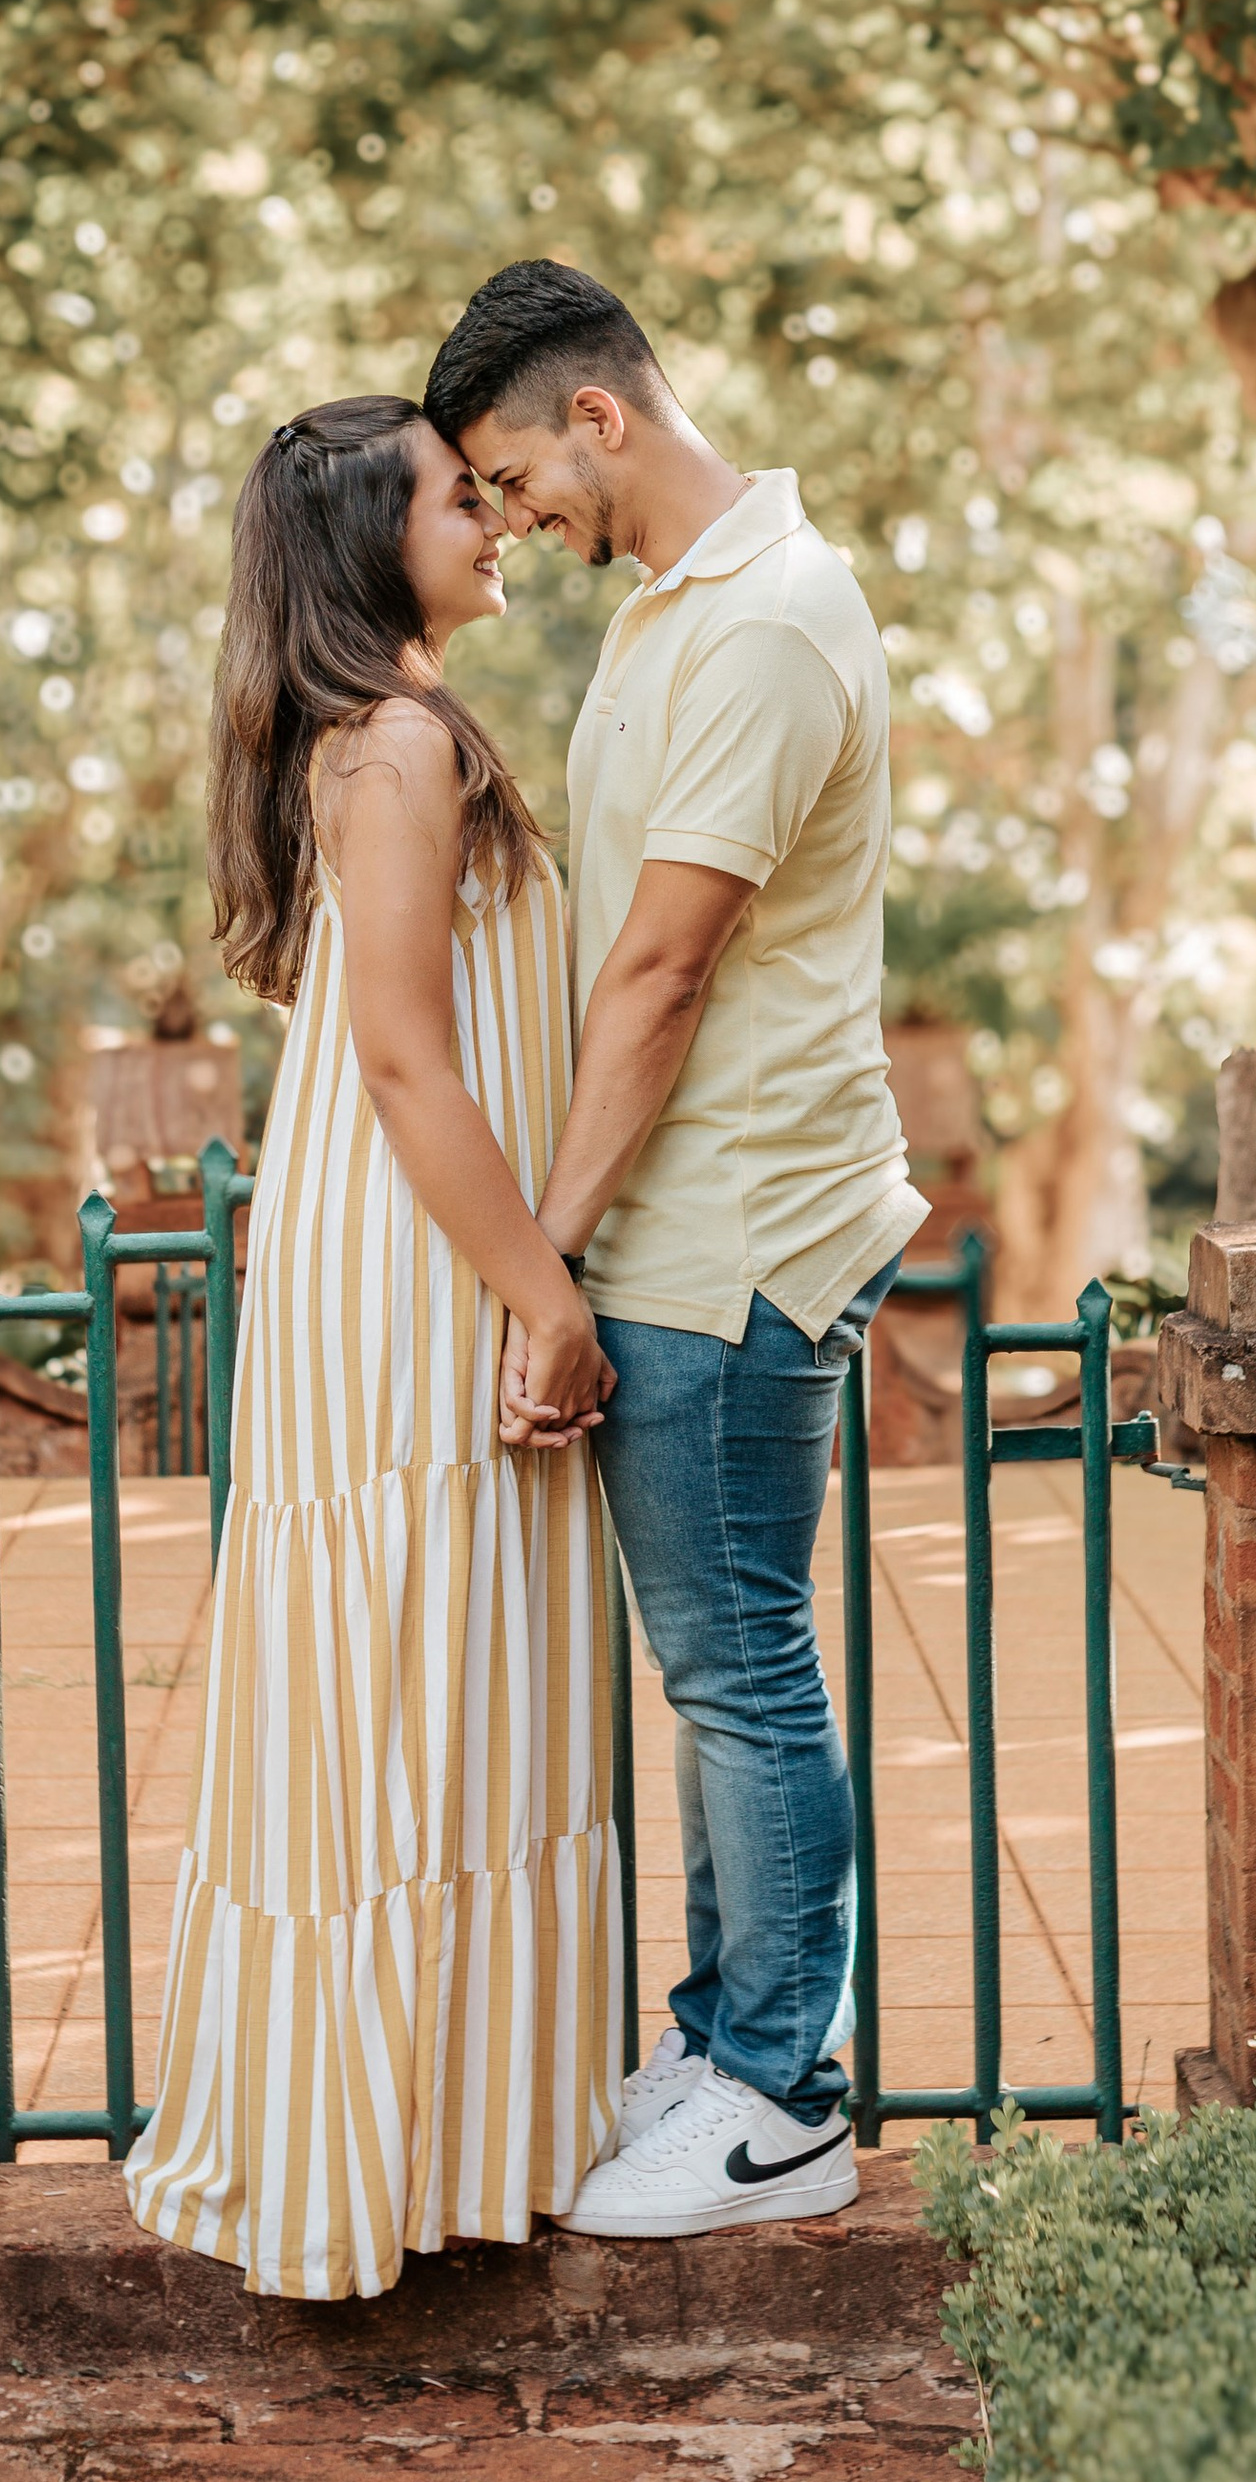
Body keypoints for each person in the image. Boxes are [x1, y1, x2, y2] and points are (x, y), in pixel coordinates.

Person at [424, 264, 924, 2238]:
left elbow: (658, 966)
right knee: (716, 1663)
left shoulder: (774, 626)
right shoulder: (675, 610)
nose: (505, 516)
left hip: (729, 1231)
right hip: (678, 1215)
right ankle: (723, 2037)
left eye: (507, 470)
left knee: (738, 1673)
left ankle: (781, 2098)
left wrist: (539, 1260)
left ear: (597, 419)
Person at [126, 396, 621, 2298]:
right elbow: (413, 1062)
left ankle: (421, 2139)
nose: (490, 514)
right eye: (449, 493)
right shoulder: (400, 744)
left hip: (404, 1238)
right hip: (422, 1258)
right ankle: (390, 2156)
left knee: (425, 1676)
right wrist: (545, 1297)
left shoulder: (387, 733)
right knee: (421, 1672)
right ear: (368, 543)